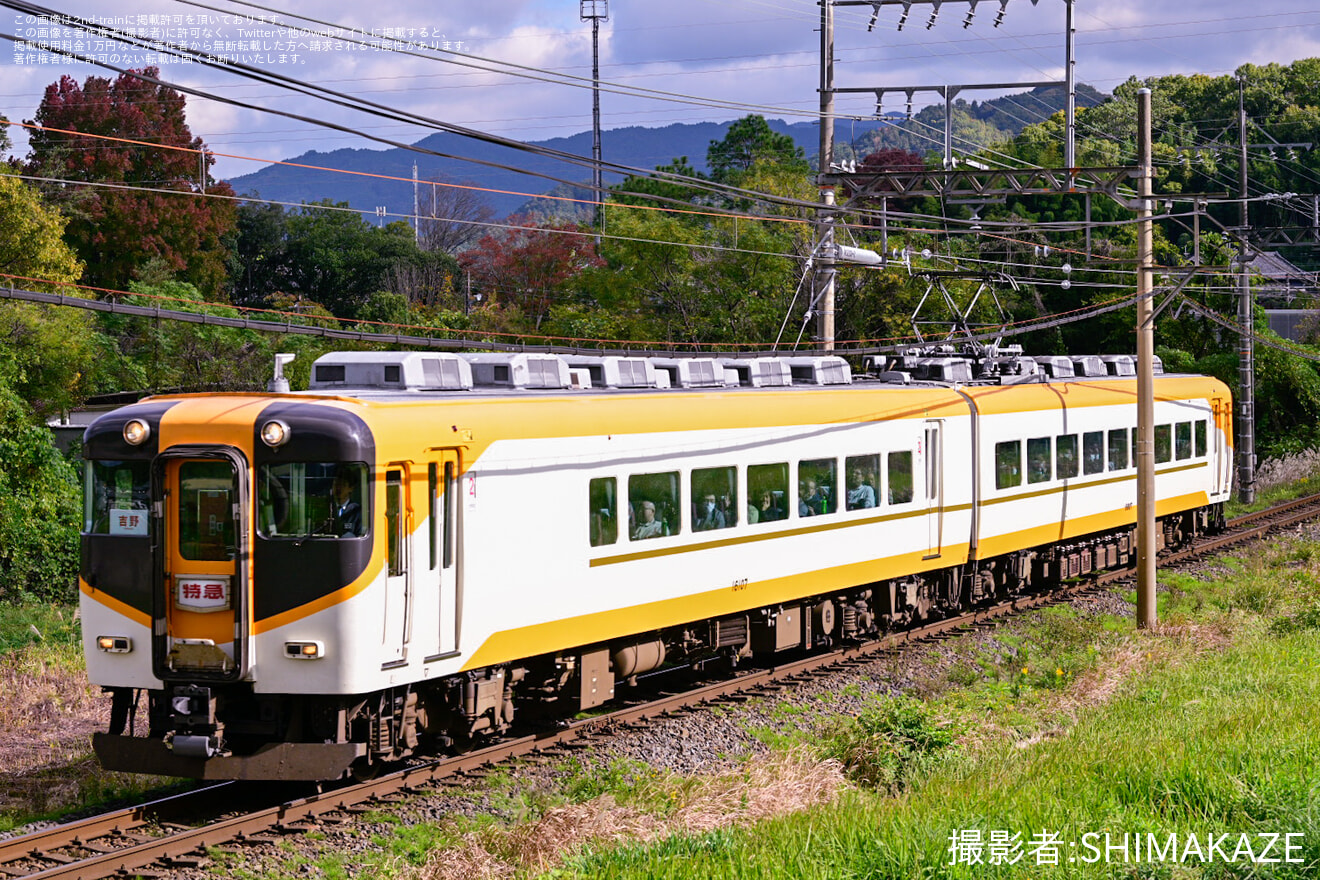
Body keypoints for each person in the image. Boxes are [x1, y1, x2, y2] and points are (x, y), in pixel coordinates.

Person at [331, 469, 363, 537]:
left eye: (343, 485)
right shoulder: (326, 507)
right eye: (336, 484)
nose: (338, 488)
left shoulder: (357, 511)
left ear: (351, 488)